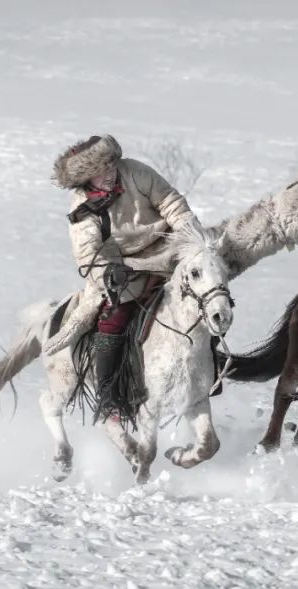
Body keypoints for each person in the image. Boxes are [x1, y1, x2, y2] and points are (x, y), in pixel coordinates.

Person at [51, 134, 204, 420]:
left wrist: (190, 234)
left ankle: (212, 366)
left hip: (168, 249)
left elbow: (170, 201)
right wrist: (108, 273)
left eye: (110, 166)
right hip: (124, 267)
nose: (109, 174)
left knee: (205, 295)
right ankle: (108, 395)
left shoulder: (135, 171)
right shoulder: (82, 208)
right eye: (101, 171)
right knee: (114, 317)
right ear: (87, 177)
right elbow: (87, 254)